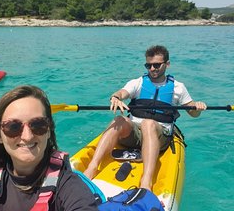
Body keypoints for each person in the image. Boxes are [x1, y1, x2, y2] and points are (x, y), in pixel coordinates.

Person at [0, 85, 98, 211]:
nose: (27, 136)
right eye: (13, 127)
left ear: (48, 131)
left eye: (38, 125)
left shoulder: (69, 187)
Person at [83, 45, 207, 191]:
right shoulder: (138, 83)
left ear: (167, 64)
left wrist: (197, 107)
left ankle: (146, 181)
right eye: (149, 65)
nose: (152, 69)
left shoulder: (178, 87)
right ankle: (92, 167)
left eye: (156, 65)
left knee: (149, 124)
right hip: (135, 133)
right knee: (119, 120)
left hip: (160, 135)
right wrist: (115, 97)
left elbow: (192, 112)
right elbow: (122, 92)